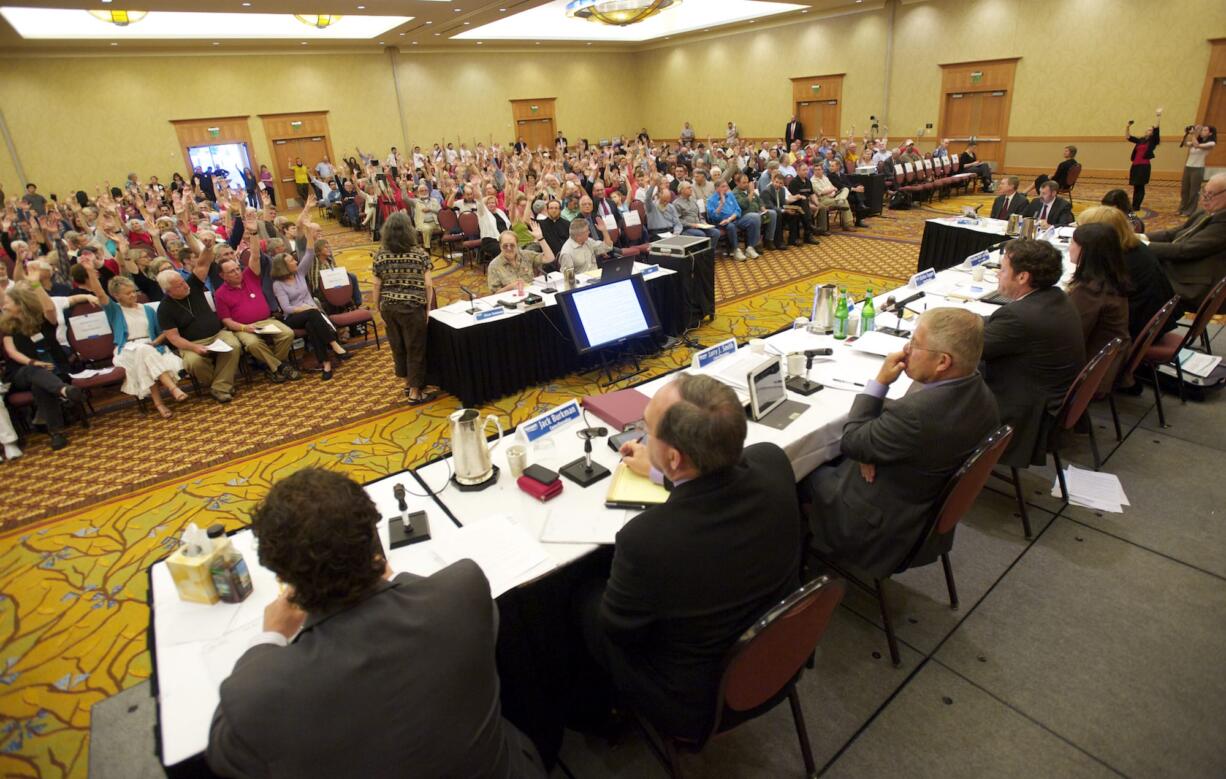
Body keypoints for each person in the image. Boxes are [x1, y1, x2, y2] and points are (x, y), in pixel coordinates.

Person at [206, 468, 545, 779]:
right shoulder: (463, 589)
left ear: (283, 578)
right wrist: (386, 577)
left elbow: (225, 755)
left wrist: (270, 637)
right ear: (374, 542)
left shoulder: (254, 694)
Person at [587, 374, 802, 742]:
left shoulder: (647, 540)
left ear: (674, 456)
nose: (640, 432)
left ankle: (594, 715)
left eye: (646, 428)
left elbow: (620, 632)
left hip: (695, 701)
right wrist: (660, 473)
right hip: (780, 658)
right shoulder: (773, 462)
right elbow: (716, 477)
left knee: (582, 600)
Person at [802, 309, 1000, 576]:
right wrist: (872, 447)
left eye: (916, 343)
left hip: (879, 526)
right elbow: (905, 435)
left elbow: (851, 441)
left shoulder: (916, 414)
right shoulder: (981, 393)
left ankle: (793, 571)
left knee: (795, 471)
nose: (906, 350)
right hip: (917, 506)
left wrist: (880, 382)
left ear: (943, 362)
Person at [982, 239, 1085, 467]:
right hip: (1047, 398)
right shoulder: (1057, 298)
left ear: (1022, 277)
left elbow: (966, 350)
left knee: (940, 383)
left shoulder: (1018, 317)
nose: (998, 274)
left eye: (1003, 269)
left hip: (1022, 412)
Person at [82, 266, 188, 419]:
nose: (133, 295)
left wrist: (154, 343)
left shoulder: (147, 309)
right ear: (117, 296)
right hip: (127, 350)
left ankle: (159, 404)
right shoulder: (114, 310)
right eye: (128, 293)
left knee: (144, 352)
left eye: (134, 291)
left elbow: (163, 333)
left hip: (151, 347)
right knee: (142, 351)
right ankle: (172, 389)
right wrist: (91, 274)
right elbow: (100, 294)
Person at [155, 237, 243, 404]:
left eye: (182, 282)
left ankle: (219, 388)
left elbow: (202, 264)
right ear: (168, 291)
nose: (185, 286)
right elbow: (173, 338)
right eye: (179, 286)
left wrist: (208, 247)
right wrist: (194, 347)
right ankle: (222, 385)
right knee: (194, 362)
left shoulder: (192, 285)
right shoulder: (164, 309)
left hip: (217, 335)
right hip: (191, 343)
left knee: (234, 345)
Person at [1, 283, 84, 450]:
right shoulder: (7, 325)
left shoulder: (41, 320)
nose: (4, 305)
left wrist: (36, 284)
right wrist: (33, 362)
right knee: (34, 371)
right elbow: (11, 352)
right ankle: (63, 391)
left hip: (50, 372)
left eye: (8, 302)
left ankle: (56, 433)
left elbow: (49, 308)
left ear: (20, 303)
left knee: (40, 386)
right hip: (20, 373)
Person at [1075, 205, 1176, 338]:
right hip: (1152, 319)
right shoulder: (1134, 247)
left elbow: (1094, 302)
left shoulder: (1120, 261)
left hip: (1137, 329)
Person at [371, 211, 436, 404]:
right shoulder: (419, 254)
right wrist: (427, 309)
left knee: (398, 346)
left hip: (389, 307)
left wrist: (377, 309)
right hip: (412, 307)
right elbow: (428, 284)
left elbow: (376, 285)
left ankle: (408, 383)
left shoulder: (381, 255)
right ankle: (415, 392)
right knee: (415, 347)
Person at [214, 249, 302, 384]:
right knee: (253, 343)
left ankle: (272, 366)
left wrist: (253, 233)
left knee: (287, 333)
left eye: (237, 268)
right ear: (222, 276)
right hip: (242, 327)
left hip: (266, 321)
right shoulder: (220, 294)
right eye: (232, 271)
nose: (237, 272)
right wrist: (244, 327)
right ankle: (281, 366)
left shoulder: (249, 276)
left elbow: (255, 256)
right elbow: (226, 320)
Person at [1145, 171, 1226, 314]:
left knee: (1135, 283)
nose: (1204, 200)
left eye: (1210, 195)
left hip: (1194, 286)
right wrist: (1141, 236)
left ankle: (1146, 332)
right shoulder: (1207, 211)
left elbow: (1185, 250)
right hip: (1184, 269)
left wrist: (1143, 246)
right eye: (1203, 193)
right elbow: (1173, 233)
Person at [271, 234, 349, 382]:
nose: (295, 261)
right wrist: (306, 309)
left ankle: (326, 364)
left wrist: (309, 233)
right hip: (293, 317)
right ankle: (334, 344)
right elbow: (286, 308)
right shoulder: (278, 284)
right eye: (292, 261)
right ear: (283, 266)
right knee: (313, 312)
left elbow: (309, 253)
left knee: (311, 325)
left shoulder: (299, 273)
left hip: (310, 316)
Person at [1067, 222, 1132, 387]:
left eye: (1073, 243)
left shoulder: (1090, 292)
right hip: (1106, 363)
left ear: (1087, 251)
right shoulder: (1109, 278)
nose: (1069, 246)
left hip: (1090, 373)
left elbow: (1069, 337)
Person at [706, 178, 760, 261]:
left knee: (753, 219)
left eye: (726, 186)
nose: (726, 188)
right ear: (717, 189)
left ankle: (750, 247)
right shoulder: (711, 200)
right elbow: (713, 217)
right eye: (723, 186)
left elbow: (738, 210)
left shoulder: (730, 195)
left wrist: (730, 219)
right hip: (721, 223)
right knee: (730, 226)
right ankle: (735, 250)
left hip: (734, 219)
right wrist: (721, 204)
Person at [488, 228, 553, 294]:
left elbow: (549, 258)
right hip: (510, 299)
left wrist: (540, 238)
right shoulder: (494, 265)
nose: (509, 248)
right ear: (500, 246)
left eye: (512, 245)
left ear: (517, 245)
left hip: (532, 295)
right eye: (505, 246)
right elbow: (495, 294)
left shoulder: (527, 255)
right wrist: (510, 287)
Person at [1126, 108, 1162, 211]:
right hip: (1135, 165)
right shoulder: (1140, 140)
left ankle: (1136, 206)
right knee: (1135, 186)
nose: (1148, 131)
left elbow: (1157, 129)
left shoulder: (1153, 141)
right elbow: (1128, 137)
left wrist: (1158, 116)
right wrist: (1127, 126)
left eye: (1150, 130)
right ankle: (1134, 205)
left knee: (1140, 186)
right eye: (1147, 129)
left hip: (1144, 166)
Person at [1178, 125, 1217, 216]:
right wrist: (1187, 133)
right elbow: (1185, 144)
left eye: (1205, 130)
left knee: (1194, 191)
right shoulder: (1195, 140)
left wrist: (1194, 134)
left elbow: (1197, 145)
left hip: (1198, 168)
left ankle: (1190, 211)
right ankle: (1182, 208)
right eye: (1202, 130)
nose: (1202, 131)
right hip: (1188, 167)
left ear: (1210, 133)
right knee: (1185, 190)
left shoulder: (1211, 143)